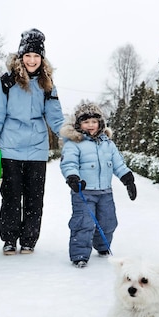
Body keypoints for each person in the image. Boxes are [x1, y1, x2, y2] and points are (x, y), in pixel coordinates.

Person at [0, 28, 64, 255]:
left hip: (37, 149)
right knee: (11, 197)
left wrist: (72, 137)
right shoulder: (5, 83)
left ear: (42, 59)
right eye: (28, 56)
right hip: (10, 148)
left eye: (36, 56)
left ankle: (29, 239)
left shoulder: (47, 84)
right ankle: (10, 238)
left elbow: (56, 117)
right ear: (21, 57)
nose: (32, 60)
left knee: (34, 198)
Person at [59, 102, 137, 268]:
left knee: (109, 222)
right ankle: (80, 254)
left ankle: (102, 246)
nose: (90, 125)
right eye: (86, 122)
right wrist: (73, 177)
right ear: (78, 124)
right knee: (83, 223)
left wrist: (127, 178)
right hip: (83, 192)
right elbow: (69, 163)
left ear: (100, 123)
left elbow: (118, 164)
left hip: (105, 192)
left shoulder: (108, 143)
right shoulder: (74, 143)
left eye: (94, 121)